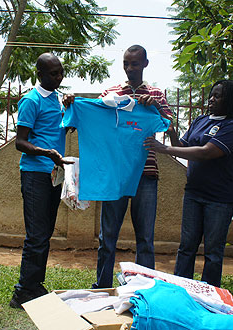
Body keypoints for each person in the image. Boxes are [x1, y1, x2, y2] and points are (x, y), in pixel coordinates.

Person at [144, 79, 233, 287]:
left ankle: (209, 295)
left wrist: (163, 149)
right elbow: (182, 147)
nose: (212, 99)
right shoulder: (201, 120)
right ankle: (181, 291)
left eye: (218, 96)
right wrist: (171, 135)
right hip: (194, 194)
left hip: (219, 199)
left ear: (231, 101)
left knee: (213, 252)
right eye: (211, 94)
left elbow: (205, 152)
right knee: (186, 247)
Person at [93, 44, 173, 289]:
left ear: (145, 64)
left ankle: (145, 291)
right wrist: (73, 103)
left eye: (135, 63)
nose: (129, 68)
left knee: (145, 239)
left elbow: (169, 127)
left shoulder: (156, 95)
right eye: (126, 63)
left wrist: (155, 108)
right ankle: (103, 286)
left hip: (146, 174)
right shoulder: (111, 92)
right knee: (107, 237)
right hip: (117, 174)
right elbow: (95, 117)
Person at [9, 53, 74, 309]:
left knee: (44, 233)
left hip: (53, 175)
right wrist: (47, 153)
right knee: (36, 234)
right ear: (39, 75)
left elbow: (54, 129)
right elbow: (20, 142)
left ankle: (34, 285)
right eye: (52, 74)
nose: (58, 77)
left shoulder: (58, 100)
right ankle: (22, 292)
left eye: (60, 72)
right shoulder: (31, 100)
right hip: (36, 173)